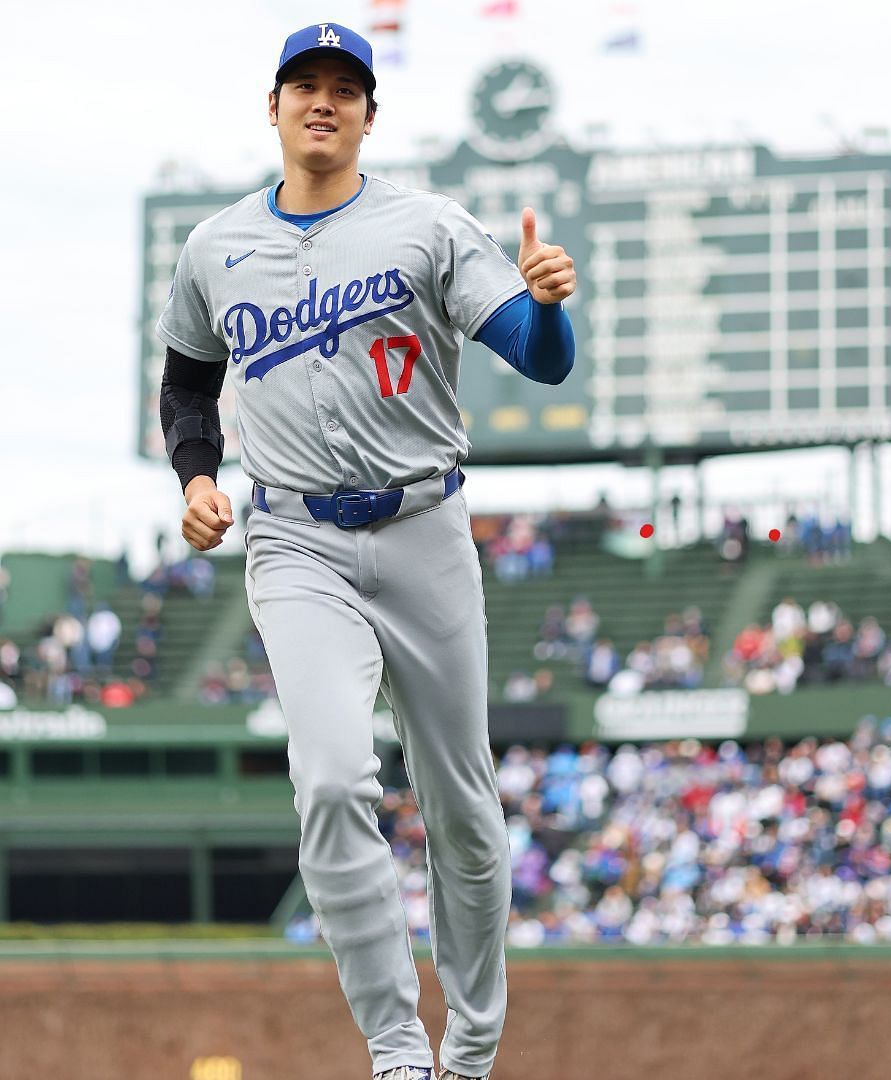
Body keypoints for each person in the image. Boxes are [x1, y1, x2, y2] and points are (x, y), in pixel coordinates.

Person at [156, 22, 578, 1080]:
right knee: (334, 780)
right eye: (306, 84)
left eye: (346, 88)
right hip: (293, 535)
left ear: (369, 116)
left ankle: (469, 1051)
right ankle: (397, 1049)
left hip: (424, 526)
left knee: (464, 812)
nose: (324, 101)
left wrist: (546, 305)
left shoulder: (426, 225)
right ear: (275, 106)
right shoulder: (214, 247)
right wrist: (196, 480)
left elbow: (536, 359)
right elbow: (186, 386)